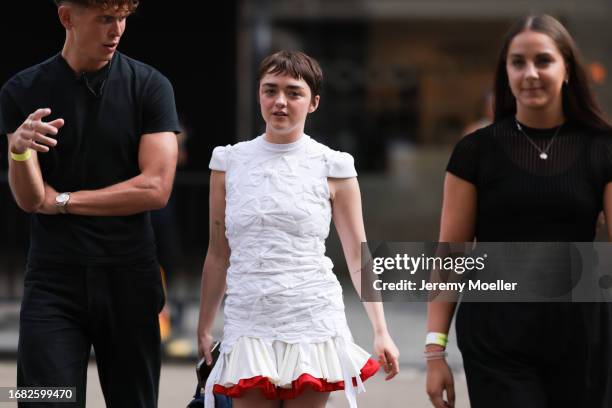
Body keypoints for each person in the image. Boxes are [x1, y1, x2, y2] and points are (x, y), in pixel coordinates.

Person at [425, 15, 612, 408]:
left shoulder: (602, 148)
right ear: (505, 73)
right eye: (518, 62)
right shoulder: (475, 152)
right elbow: (450, 255)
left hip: (583, 335)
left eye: (543, 60)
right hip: (496, 335)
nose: (530, 73)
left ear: (567, 71)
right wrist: (434, 352)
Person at [0, 1, 180, 406]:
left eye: (122, 18)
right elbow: (31, 201)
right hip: (54, 277)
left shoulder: (150, 85)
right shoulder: (21, 91)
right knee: (45, 399)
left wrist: (63, 200)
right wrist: (18, 151)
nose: (116, 29)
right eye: (104, 18)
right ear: (67, 18)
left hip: (128, 274)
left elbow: (155, 189)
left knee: (134, 401)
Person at [197, 50, 400, 408]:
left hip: (311, 315)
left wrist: (381, 331)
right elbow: (218, 253)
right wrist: (204, 327)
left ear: (313, 102)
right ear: (258, 94)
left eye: (293, 92)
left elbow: (357, 254)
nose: (280, 102)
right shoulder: (228, 162)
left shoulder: (333, 165)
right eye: (269, 90)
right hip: (249, 319)